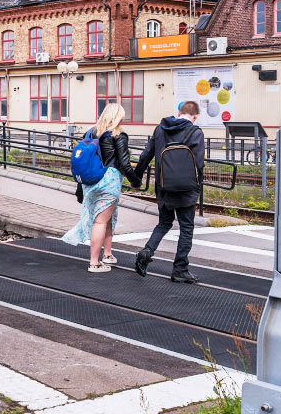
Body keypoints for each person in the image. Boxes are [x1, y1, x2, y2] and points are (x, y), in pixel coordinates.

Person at [133, 101, 205, 284]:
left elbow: (146, 155)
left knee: (164, 223)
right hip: (186, 190)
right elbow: (198, 164)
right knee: (186, 228)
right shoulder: (195, 132)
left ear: (179, 112)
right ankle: (180, 269)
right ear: (195, 116)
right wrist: (197, 185)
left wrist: (137, 177)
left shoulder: (160, 129)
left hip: (163, 187)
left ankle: (147, 251)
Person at [62, 103, 140, 272]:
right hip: (109, 181)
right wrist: (136, 182)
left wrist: (79, 188)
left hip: (91, 182)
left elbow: (83, 162)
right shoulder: (119, 135)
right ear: (119, 117)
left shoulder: (91, 133)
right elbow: (125, 165)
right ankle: (94, 263)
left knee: (108, 217)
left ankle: (108, 254)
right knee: (101, 221)